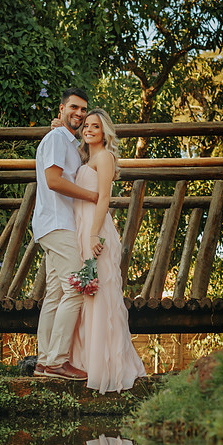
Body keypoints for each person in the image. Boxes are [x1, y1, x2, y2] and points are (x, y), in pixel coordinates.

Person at [68, 109, 146, 393]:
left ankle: (104, 367)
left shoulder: (105, 158)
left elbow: (104, 199)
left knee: (98, 297)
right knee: (84, 296)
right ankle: (85, 362)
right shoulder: (85, 158)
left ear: (104, 132)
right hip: (82, 228)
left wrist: (93, 234)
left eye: (95, 126)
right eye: (86, 125)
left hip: (95, 230)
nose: (89, 129)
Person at [32, 88, 99, 381]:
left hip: (51, 224)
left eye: (84, 109)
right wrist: (92, 196)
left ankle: (44, 361)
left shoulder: (65, 140)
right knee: (75, 288)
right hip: (57, 224)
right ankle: (57, 362)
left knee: (56, 294)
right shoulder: (57, 139)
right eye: (74, 107)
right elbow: (54, 180)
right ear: (61, 109)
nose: (80, 113)